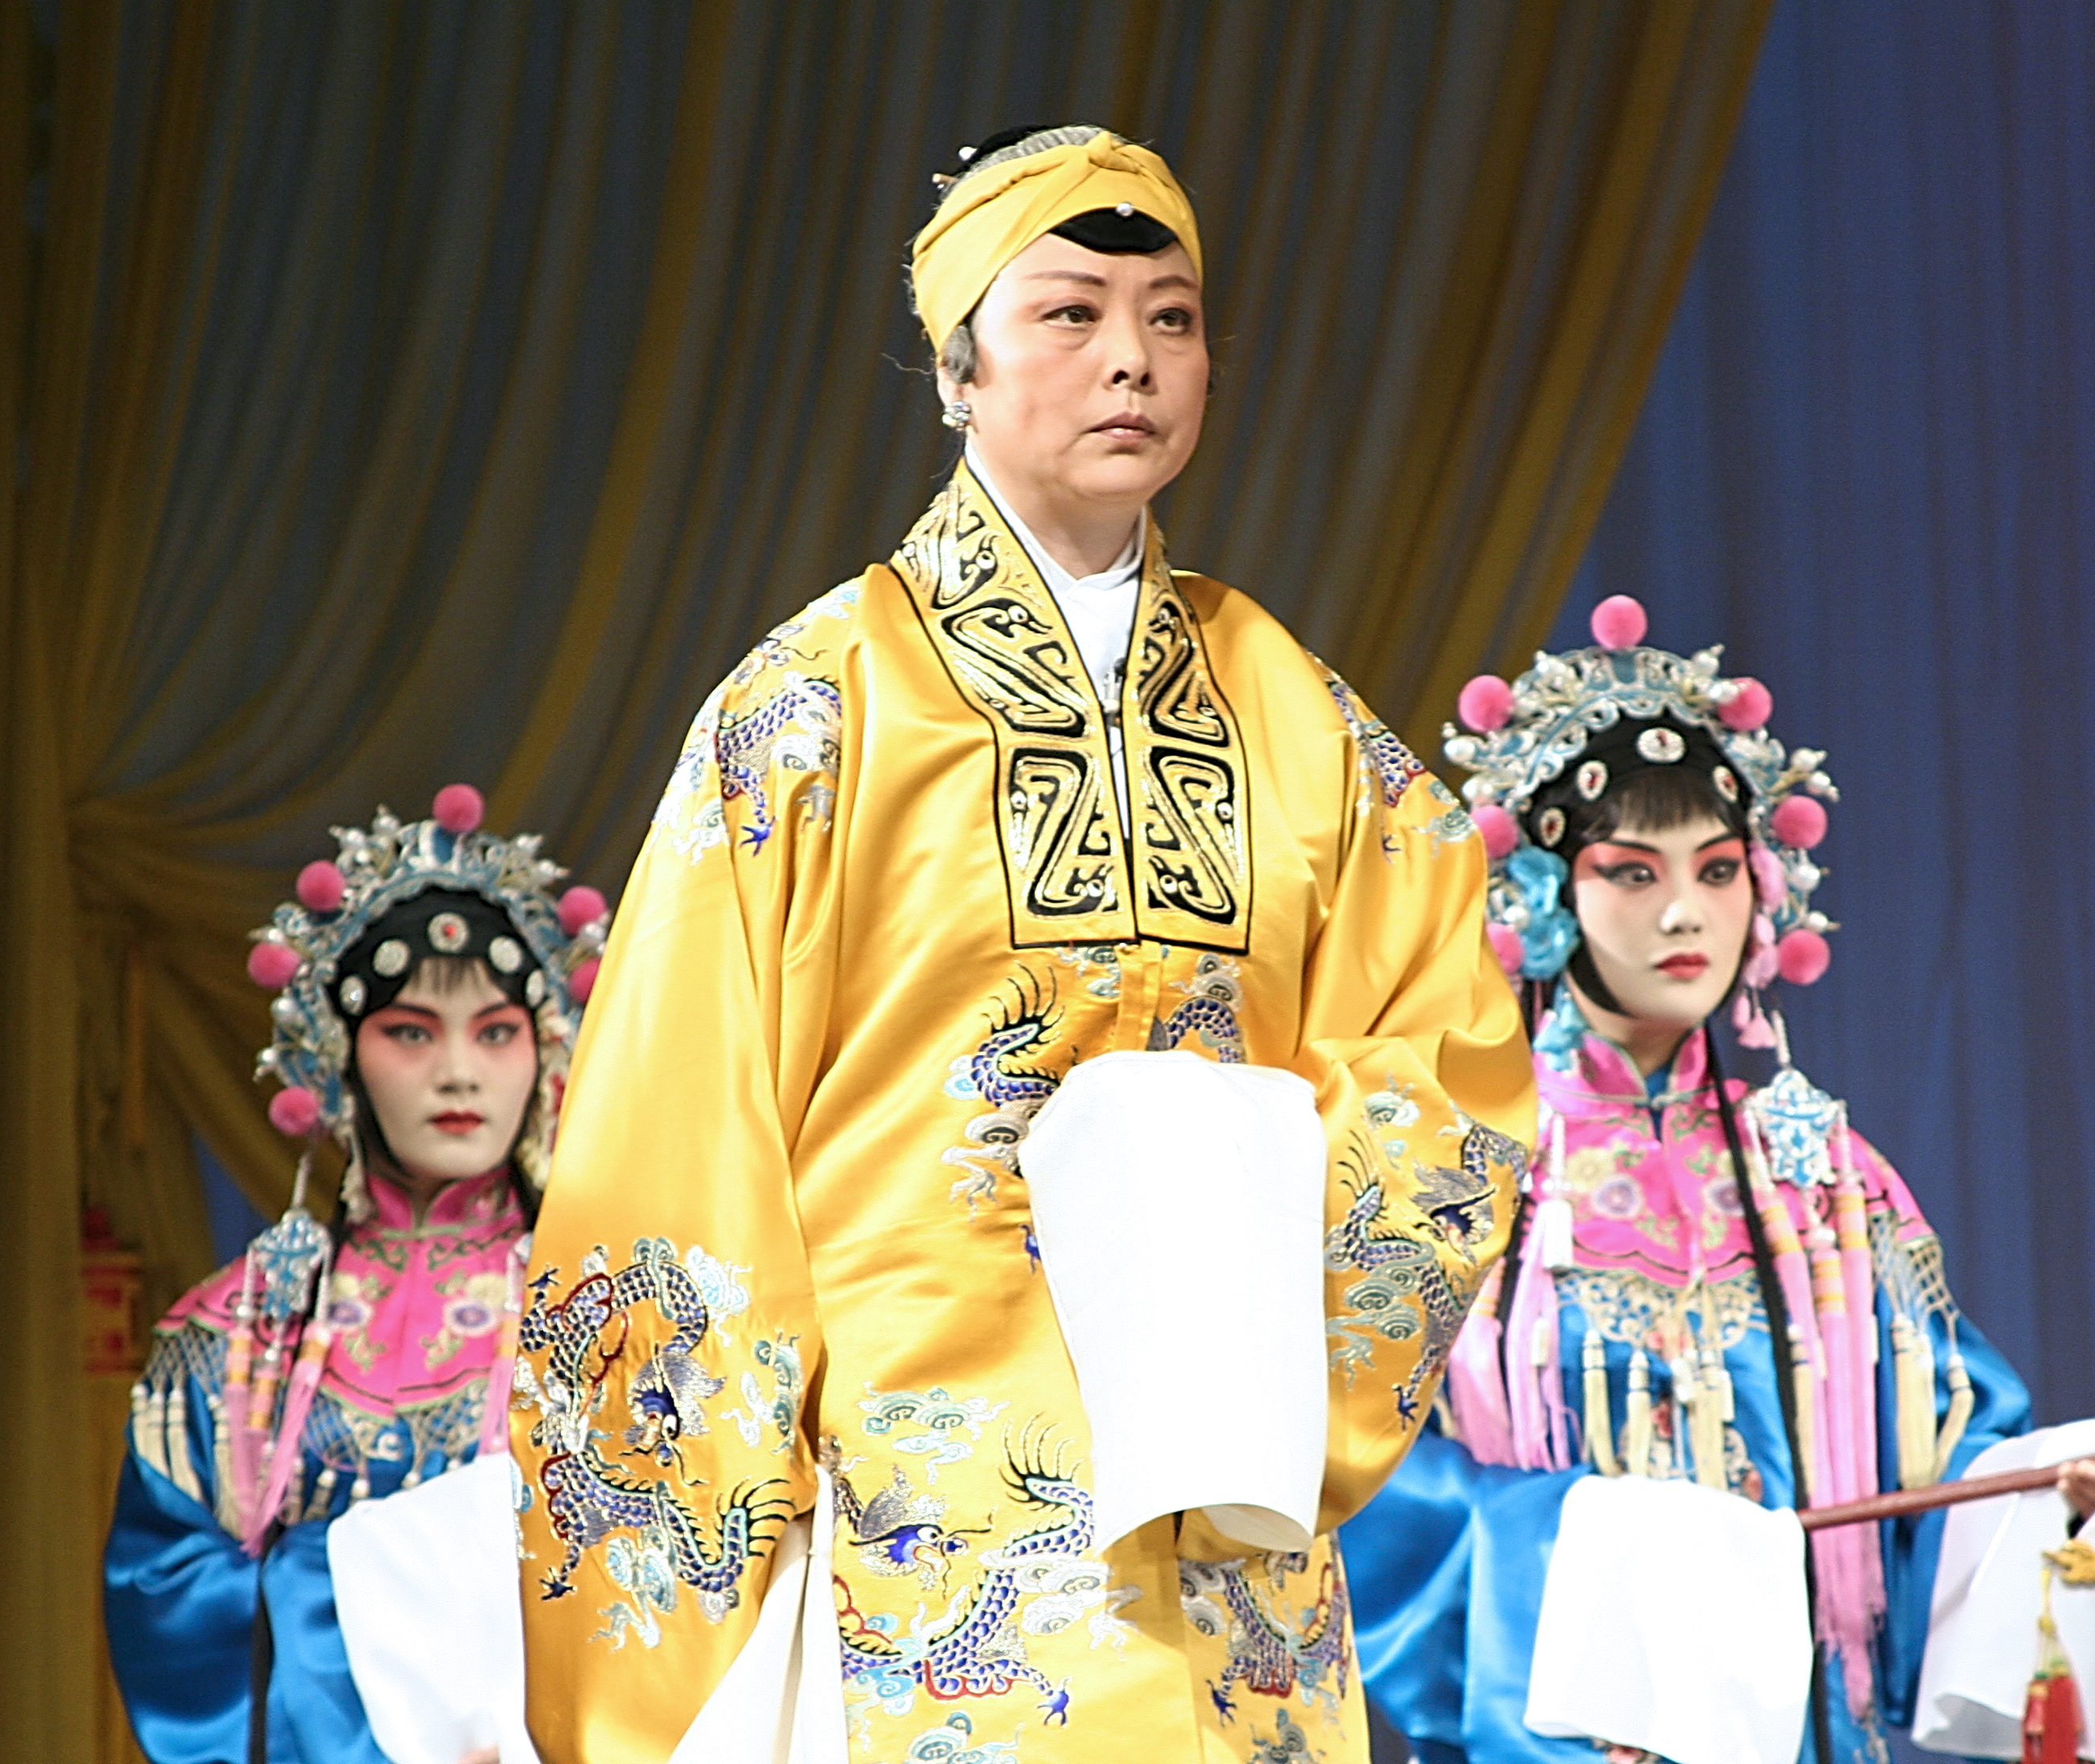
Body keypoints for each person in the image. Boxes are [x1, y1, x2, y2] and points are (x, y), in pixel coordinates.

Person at [510, 125, 1533, 1764]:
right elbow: (672, 1153)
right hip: (927, 1522)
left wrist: (1278, 1356)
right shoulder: (813, 708)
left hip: (1227, 1531)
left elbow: (1445, 1052)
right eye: (1070, 313)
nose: (1132, 357)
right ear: (956, 369)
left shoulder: (1293, 710)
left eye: (1172, 316)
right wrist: (717, 1537)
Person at [1340, 602, 2095, 1764]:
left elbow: (1930, 1462)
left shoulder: (1824, 1179)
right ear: (1543, 892)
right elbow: (1370, 1482)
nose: (1684, 913)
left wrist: (2040, 1493)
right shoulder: (1453, 1170)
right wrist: (1597, 1555)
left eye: (1717, 870)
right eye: (1630, 872)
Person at [106, 784, 606, 1764]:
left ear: (544, 1052)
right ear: (336, 1055)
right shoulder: (235, 1331)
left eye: (494, 1031)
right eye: (411, 1031)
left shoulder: (605, 1316)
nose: (457, 1072)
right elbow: (165, 1592)